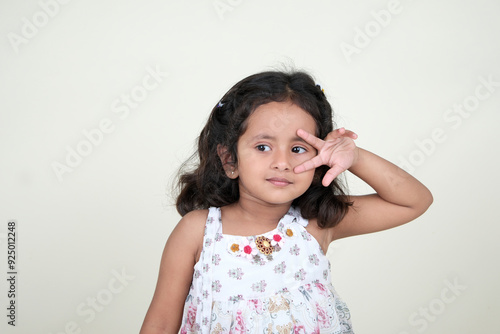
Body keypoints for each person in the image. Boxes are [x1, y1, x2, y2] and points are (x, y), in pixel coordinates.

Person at [140, 70, 433, 334]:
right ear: (230, 159)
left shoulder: (317, 223)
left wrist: (354, 157)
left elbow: (413, 202)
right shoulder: (198, 231)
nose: (282, 162)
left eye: (298, 148)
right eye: (263, 146)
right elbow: (161, 323)